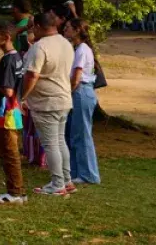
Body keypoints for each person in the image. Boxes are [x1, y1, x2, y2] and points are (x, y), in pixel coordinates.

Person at [20, 10, 75, 196]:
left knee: (51, 144)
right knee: (60, 141)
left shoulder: (40, 46)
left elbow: (32, 74)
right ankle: (66, 181)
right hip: (63, 98)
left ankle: (57, 184)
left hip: (46, 102)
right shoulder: (65, 43)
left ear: (38, 26)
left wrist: (23, 96)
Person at [0, 21, 30, 205]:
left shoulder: (9, 60)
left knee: (9, 151)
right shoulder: (15, 57)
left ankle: (16, 192)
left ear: (6, 37)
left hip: (8, 112)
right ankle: (14, 189)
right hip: (10, 111)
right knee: (4, 149)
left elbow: (8, 91)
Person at [66, 18, 102, 186]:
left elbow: (77, 77)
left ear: (76, 30)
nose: (65, 30)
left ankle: (88, 174)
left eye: (68, 28)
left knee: (82, 134)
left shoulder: (82, 49)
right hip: (79, 93)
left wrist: (68, 92)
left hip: (81, 92)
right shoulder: (77, 48)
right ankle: (76, 171)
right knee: (74, 134)